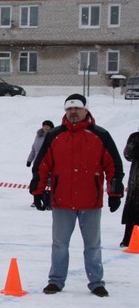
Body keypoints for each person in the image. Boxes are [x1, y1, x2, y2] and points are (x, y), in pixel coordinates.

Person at [30, 93, 123, 297]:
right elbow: (42, 166)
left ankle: (96, 282)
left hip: (91, 202)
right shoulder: (55, 135)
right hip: (62, 201)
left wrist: (115, 193)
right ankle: (55, 281)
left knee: (93, 245)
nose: (73, 112)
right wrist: (38, 191)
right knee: (59, 244)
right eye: (69, 109)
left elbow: (114, 167)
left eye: (77, 108)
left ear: (85, 110)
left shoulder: (101, 135)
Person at [27, 120, 54, 209]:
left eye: (47, 126)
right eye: (44, 126)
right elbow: (33, 149)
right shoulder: (38, 136)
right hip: (37, 164)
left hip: (47, 164)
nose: (45, 127)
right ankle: (36, 200)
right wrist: (29, 160)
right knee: (36, 182)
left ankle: (48, 201)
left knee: (48, 183)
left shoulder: (53, 136)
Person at [121, 129, 139, 247]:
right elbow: (128, 155)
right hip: (136, 183)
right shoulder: (136, 137)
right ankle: (130, 239)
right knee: (133, 212)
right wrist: (134, 142)